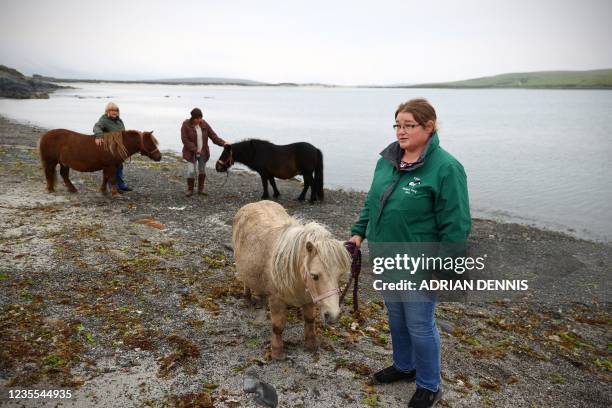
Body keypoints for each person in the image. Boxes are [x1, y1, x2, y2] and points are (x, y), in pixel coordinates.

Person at [349, 98, 471, 408]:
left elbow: (456, 225)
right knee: (396, 319)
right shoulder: (387, 160)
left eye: (408, 125)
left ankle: (430, 385)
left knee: (420, 323)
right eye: (397, 125)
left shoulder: (446, 168)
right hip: (386, 257)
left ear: (429, 127)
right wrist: (358, 233)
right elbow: (372, 201)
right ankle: (405, 366)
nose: (401, 132)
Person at [181, 107, 227, 196]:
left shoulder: (204, 124)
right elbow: (185, 140)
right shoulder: (185, 125)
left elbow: (214, 137)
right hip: (191, 153)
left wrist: (224, 143)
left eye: (200, 118)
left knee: (202, 170)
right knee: (191, 171)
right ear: (192, 118)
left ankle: (200, 190)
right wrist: (195, 149)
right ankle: (190, 190)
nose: (199, 120)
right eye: (197, 118)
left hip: (203, 152)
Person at [93, 102, 131, 192]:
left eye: (116, 111)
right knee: (111, 168)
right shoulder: (104, 120)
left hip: (118, 149)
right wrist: (99, 136)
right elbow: (96, 127)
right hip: (109, 150)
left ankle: (121, 185)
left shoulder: (119, 120)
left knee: (120, 167)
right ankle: (114, 187)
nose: (115, 112)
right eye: (112, 110)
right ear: (107, 111)